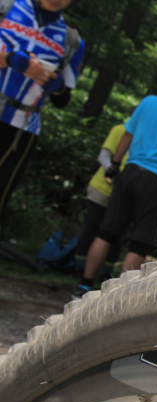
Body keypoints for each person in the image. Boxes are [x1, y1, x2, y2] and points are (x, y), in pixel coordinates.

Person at [72, 63, 157, 299]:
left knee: (106, 232)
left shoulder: (149, 102)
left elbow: (127, 134)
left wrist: (115, 165)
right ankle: (116, 297)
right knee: (140, 243)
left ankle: (83, 286)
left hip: (131, 170)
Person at [0, 0, 84, 238]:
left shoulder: (71, 41)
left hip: (22, 126)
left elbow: (63, 98)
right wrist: (9, 59)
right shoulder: (7, 8)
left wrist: (56, 86)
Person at [73, 124, 128, 281]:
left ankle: (106, 274)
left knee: (116, 235)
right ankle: (79, 268)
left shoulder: (150, 137)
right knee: (92, 227)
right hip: (102, 189)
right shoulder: (120, 130)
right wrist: (115, 174)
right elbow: (103, 156)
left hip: (124, 195)